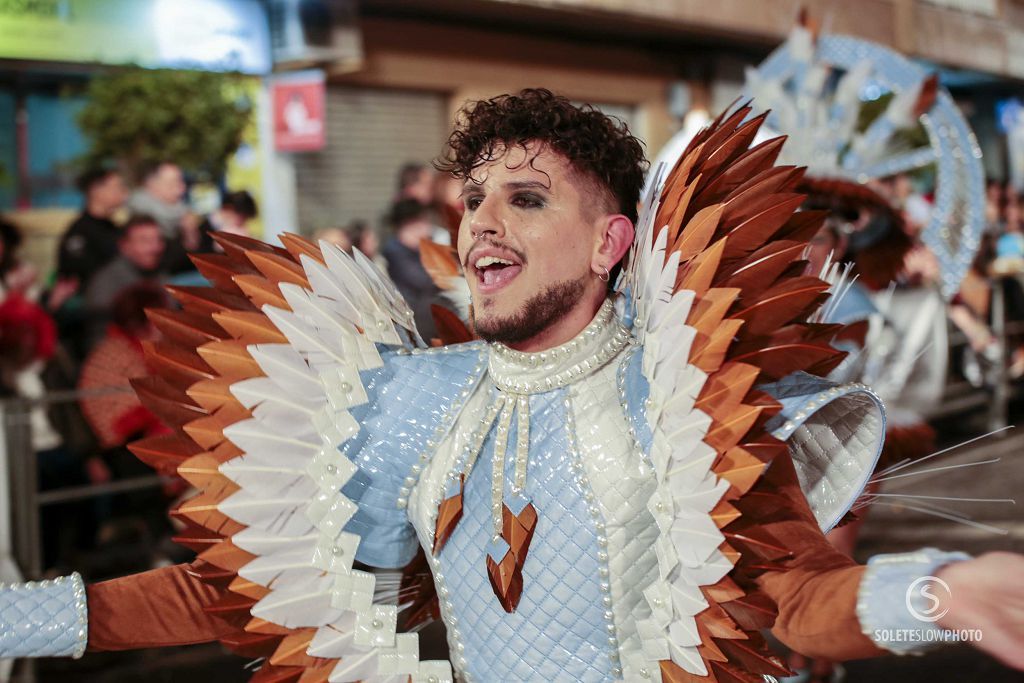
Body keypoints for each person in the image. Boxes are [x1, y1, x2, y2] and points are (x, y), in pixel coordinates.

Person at [2, 90, 1024, 682]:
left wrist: (944, 589)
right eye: (473, 197)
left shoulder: (686, 395)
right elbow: (229, 593)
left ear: (609, 239)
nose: (479, 223)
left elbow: (795, 597)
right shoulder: (410, 401)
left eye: (525, 199)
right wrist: (21, 620)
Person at [82, 215, 165, 349]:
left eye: (158, 240)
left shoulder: (159, 275)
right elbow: (99, 338)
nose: (155, 248)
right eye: (145, 241)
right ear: (124, 246)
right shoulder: (106, 283)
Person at [382, 198, 445, 340]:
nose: (426, 229)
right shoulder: (395, 252)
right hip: (413, 320)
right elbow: (425, 281)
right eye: (420, 223)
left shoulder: (420, 249)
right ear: (407, 225)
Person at [56, 168, 129, 290]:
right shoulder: (80, 232)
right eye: (118, 187)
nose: (124, 193)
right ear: (95, 190)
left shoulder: (114, 228)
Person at [127, 161, 197, 273]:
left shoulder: (177, 211)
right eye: (173, 183)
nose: (182, 188)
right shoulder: (143, 212)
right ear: (151, 184)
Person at [195, 190, 259, 254]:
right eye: (243, 218)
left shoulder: (236, 230)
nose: (243, 223)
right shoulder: (201, 228)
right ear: (229, 209)